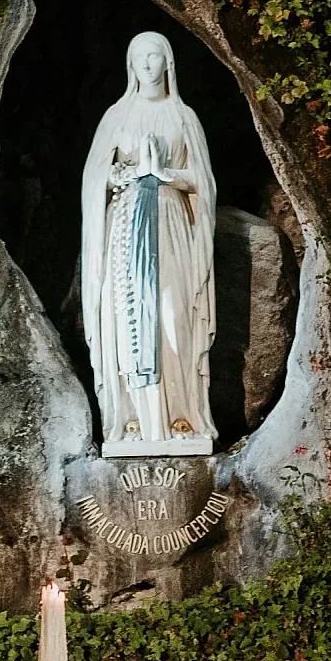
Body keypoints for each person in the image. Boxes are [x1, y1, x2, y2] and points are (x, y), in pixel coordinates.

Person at [80, 31, 217, 451]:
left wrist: (165, 175)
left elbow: (204, 183)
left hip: (170, 224)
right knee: (127, 318)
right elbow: (92, 180)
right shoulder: (116, 117)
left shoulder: (183, 118)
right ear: (129, 64)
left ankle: (181, 417)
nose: (146, 63)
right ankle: (138, 421)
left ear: (167, 62)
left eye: (154, 55)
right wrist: (119, 177)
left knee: (173, 315)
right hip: (124, 229)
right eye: (138, 56)